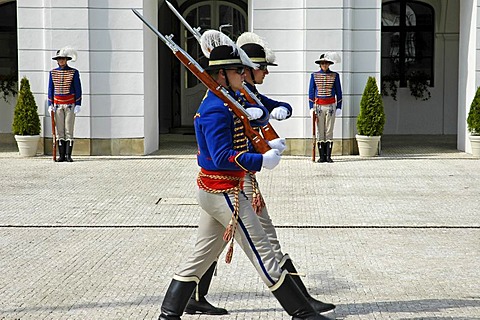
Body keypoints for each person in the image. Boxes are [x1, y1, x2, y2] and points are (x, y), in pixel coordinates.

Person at [158, 44, 330, 320]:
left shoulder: (229, 97)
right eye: (239, 70)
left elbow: (257, 109)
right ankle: (303, 315)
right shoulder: (216, 108)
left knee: (200, 258)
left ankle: (168, 316)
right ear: (223, 74)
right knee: (263, 251)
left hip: (219, 190)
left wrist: (267, 123)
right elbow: (223, 156)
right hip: (223, 190)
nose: (244, 74)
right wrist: (260, 160)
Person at [48, 47, 82, 162]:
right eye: (59, 59)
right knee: (60, 131)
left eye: (63, 59)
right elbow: (50, 89)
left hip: (70, 104)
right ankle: (61, 155)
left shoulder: (73, 72)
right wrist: (50, 103)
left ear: (67, 60)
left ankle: (68, 155)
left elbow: (78, 88)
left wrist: (78, 103)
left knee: (69, 130)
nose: (61, 61)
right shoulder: (53, 72)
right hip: (57, 104)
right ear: (57, 61)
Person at [308, 52, 342, 163]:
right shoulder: (314, 75)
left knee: (329, 130)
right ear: (320, 64)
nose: (324, 65)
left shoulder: (335, 75)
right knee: (320, 131)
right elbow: (311, 92)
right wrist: (310, 107)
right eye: (323, 63)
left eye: (326, 63)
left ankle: (328, 156)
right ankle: (321, 156)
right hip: (318, 106)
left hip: (331, 105)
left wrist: (339, 107)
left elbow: (339, 92)